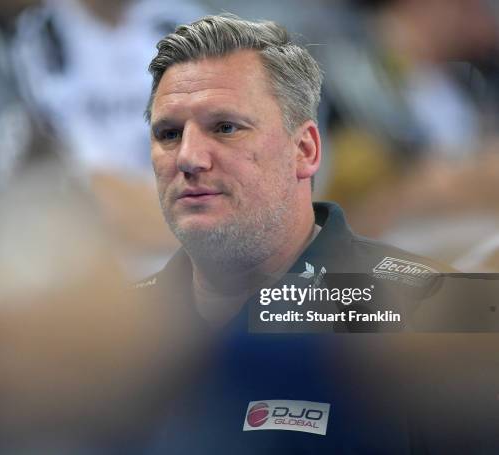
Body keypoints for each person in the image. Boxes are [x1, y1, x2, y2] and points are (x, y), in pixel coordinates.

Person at [135, 14, 498, 454]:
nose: (189, 157)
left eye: (225, 127)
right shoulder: (104, 334)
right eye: (169, 133)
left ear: (304, 150)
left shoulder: (433, 312)